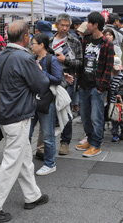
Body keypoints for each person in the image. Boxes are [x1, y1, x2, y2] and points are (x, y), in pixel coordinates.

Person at [0, 21, 50, 223]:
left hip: (6, 113)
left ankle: (32, 195)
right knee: (11, 163)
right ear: (26, 36)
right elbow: (41, 84)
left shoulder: (3, 55)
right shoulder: (25, 57)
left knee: (24, 157)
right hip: (18, 115)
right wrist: (38, 67)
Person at [76, 12, 114, 158]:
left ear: (96, 24)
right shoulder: (86, 40)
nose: (87, 25)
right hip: (84, 84)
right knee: (85, 116)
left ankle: (96, 144)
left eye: (89, 23)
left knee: (96, 117)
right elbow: (82, 61)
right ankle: (90, 139)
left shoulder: (107, 44)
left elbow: (108, 67)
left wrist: (101, 87)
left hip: (97, 86)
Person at [29, 33, 63, 175]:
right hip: (32, 100)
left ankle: (50, 163)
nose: (31, 46)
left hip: (46, 100)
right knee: (27, 133)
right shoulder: (32, 59)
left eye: (34, 43)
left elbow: (58, 79)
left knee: (48, 135)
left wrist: (43, 73)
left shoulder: (51, 60)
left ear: (41, 45)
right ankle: (24, 161)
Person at [53, 13, 83, 155]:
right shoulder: (49, 41)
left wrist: (66, 60)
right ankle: (48, 142)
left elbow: (80, 63)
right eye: (62, 25)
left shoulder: (74, 41)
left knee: (67, 111)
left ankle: (65, 142)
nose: (64, 28)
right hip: (51, 79)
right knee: (50, 111)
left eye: (67, 25)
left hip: (68, 81)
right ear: (57, 25)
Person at [108, 56, 123, 143]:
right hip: (111, 100)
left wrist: (120, 94)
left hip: (119, 101)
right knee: (114, 118)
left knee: (121, 117)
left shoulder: (122, 76)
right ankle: (115, 133)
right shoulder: (109, 75)